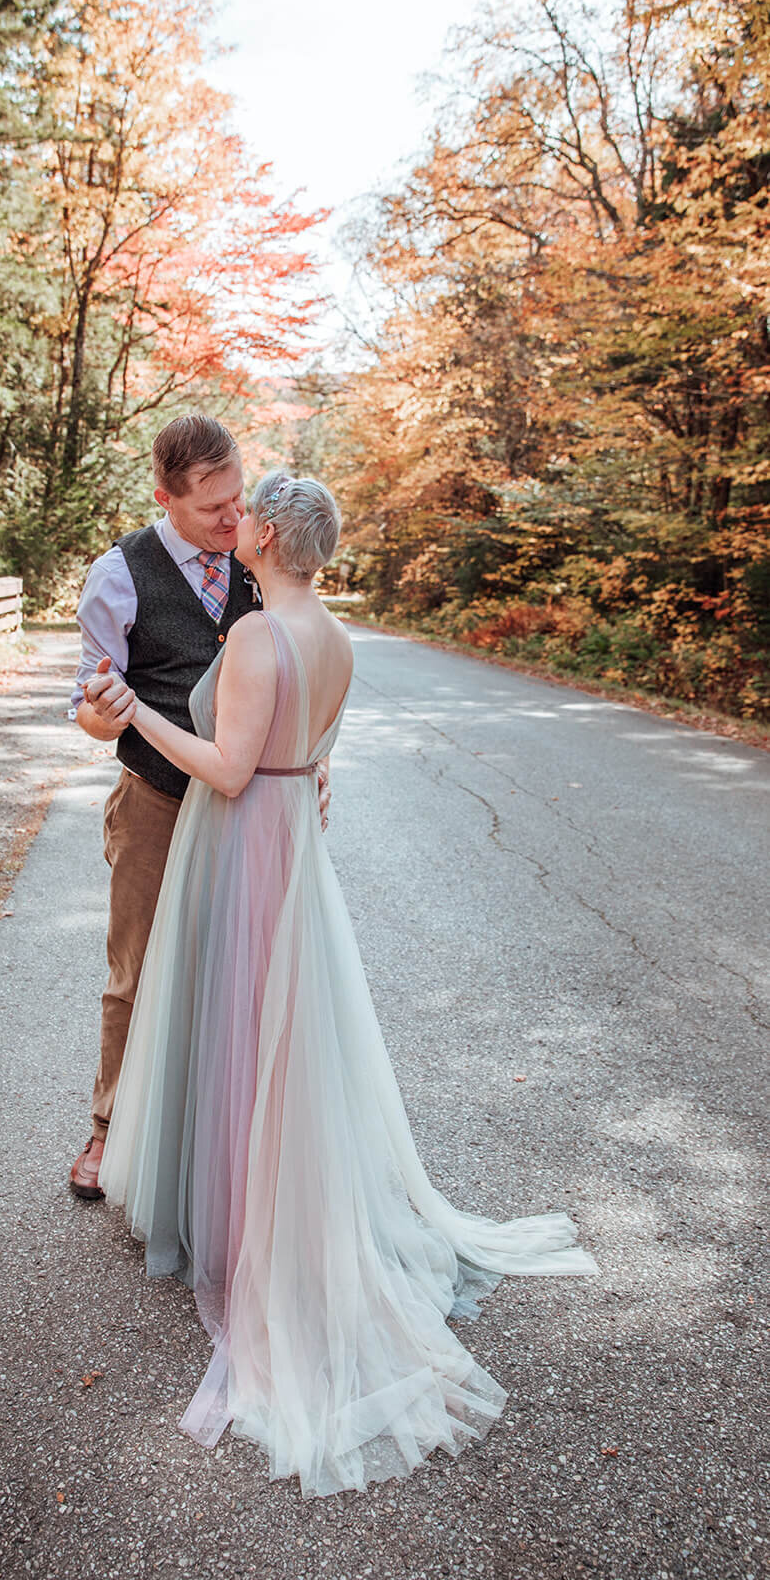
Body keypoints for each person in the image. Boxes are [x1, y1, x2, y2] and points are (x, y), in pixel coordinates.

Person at [95, 470, 600, 1498]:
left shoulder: (251, 635)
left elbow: (228, 769)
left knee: (242, 1024)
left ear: (273, 535)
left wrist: (135, 714)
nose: (234, 525)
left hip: (241, 842)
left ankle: (248, 1232)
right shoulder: (334, 638)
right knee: (284, 1033)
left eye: (248, 517)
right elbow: (308, 756)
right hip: (293, 849)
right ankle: (261, 1203)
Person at [68, 415, 330, 1201]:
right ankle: (109, 1130)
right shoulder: (119, 573)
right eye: (212, 506)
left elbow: (303, 670)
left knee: (241, 979)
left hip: (245, 816)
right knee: (137, 974)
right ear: (164, 498)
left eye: (237, 498)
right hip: (156, 802)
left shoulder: (260, 558)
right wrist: (105, 709)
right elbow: (85, 702)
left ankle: (214, 1150)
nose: (231, 518)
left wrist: (316, 760)